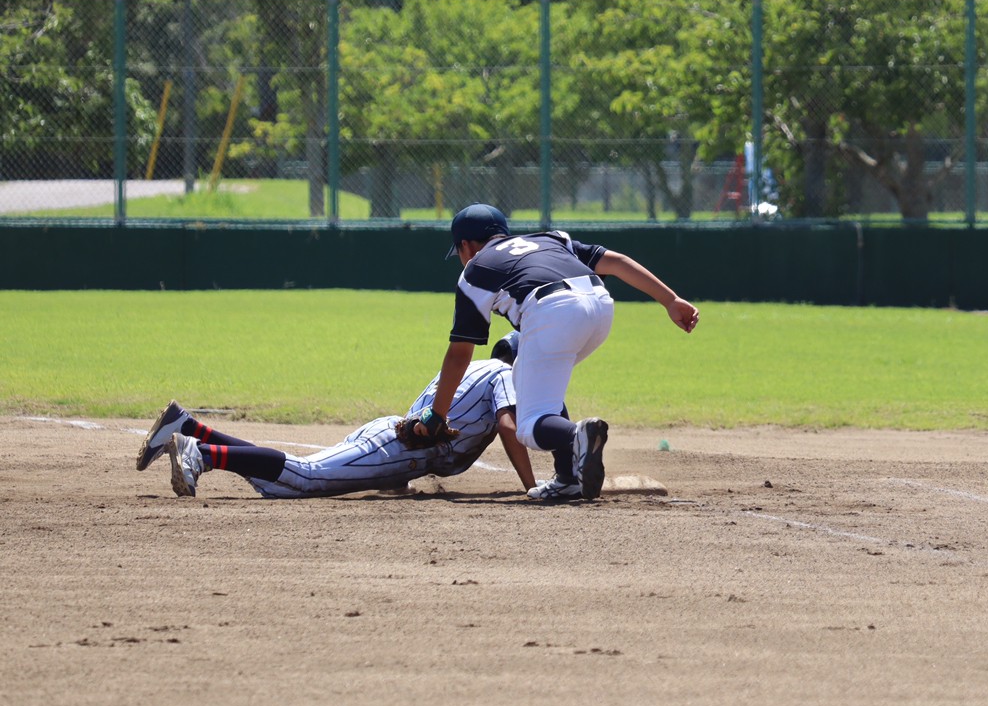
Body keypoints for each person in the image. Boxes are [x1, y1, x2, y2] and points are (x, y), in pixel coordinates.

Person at [413, 202, 698, 503]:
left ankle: (577, 436)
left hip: (553, 313)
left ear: (466, 247)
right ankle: (567, 478)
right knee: (524, 361)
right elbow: (616, 262)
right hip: (599, 307)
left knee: (529, 425)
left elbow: (460, 354)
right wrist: (670, 300)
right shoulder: (551, 239)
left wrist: (437, 415)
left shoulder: (476, 270)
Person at [132, 338, 535, 498]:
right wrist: (531, 488)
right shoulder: (504, 375)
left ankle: (188, 428)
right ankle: (200, 454)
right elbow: (507, 426)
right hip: (395, 447)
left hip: (389, 438)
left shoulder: (472, 370)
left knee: (292, 479)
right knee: (305, 476)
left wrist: (396, 481)